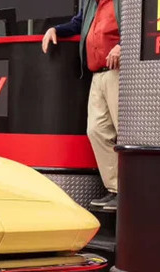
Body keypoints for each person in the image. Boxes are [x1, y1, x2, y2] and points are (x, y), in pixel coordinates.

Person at [42, 0, 121, 211]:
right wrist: (55, 29)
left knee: (126, 132)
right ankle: (116, 189)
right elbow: (77, 24)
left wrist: (123, 46)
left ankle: (132, 190)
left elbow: (142, 28)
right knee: (96, 130)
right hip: (97, 73)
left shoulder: (126, 2)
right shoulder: (90, 3)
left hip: (120, 72)